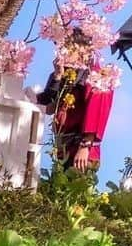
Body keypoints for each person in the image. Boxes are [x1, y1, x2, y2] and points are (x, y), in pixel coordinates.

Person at [37, 41, 114, 174]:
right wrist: (57, 77)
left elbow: (95, 112)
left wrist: (85, 146)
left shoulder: (96, 77)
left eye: (68, 49)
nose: (63, 53)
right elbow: (48, 106)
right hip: (63, 147)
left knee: (75, 187)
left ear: (84, 51)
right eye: (61, 49)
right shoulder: (63, 74)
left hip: (82, 149)